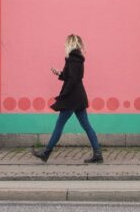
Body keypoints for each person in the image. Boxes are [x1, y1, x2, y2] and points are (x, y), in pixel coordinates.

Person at [32, 33, 103, 163]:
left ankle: (46, 152)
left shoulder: (73, 60)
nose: (64, 45)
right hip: (78, 97)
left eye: (66, 43)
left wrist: (63, 95)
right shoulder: (76, 59)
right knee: (86, 125)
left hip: (72, 98)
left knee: (59, 125)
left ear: (70, 44)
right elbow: (69, 76)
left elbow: (73, 80)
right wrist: (59, 73)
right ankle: (98, 154)